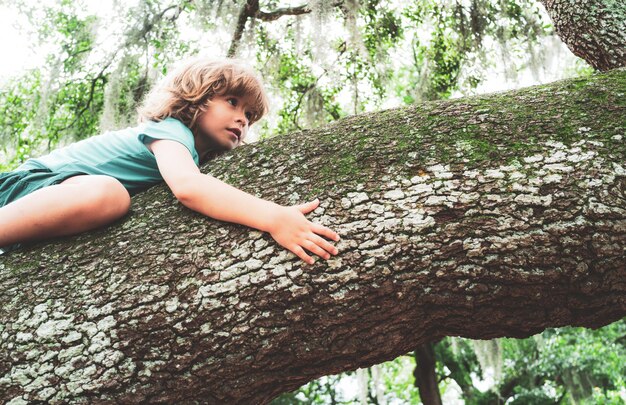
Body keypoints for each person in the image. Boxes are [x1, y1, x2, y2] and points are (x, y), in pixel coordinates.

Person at [0, 57, 340, 264]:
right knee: (109, 194)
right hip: (29, 185)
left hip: (41, 201)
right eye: (232, 102)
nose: (242, 119)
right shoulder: (172, 130)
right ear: (196, 98)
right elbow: (190, 189)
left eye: (250, 115)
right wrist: (274, 217)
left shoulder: (194, 153)